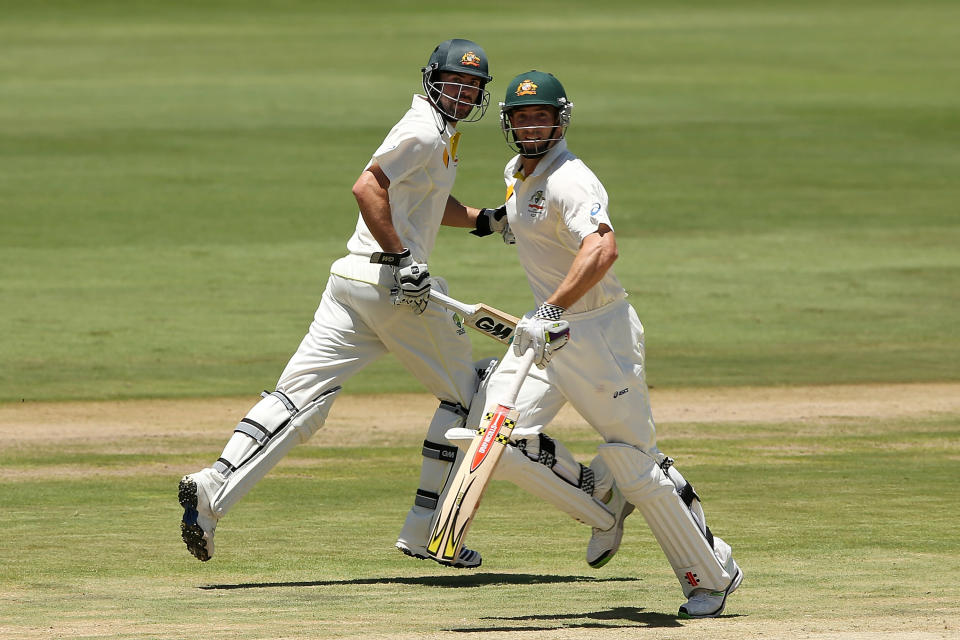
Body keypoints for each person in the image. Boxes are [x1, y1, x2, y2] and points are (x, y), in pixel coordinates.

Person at [177, 38, 514, 569]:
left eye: (472, 86)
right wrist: (404, 257)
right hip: (395, 288)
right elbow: (367, 187)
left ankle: (212, 488)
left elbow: (420, 198)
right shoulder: (423, 128)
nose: (462, 92)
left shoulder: (437, 132)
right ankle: (431, 531)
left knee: (298, 401)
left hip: (353, 282)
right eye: (454, 82)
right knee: (471, 398)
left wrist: (482, 220)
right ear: (432, 80)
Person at [452, 70, 743, 617]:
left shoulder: (572, 179)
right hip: (546, 337)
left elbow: (602, 249)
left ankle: (713, 573)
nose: (531, 125)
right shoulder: (518, 172)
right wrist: (414, 213)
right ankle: (599, 503)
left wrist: (551, 310)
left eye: (541, 116)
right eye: (521, 116)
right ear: (509, 123)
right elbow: (509, 222)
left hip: (596, 335)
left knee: (635, 461)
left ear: (560, 120)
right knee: (493, 440)